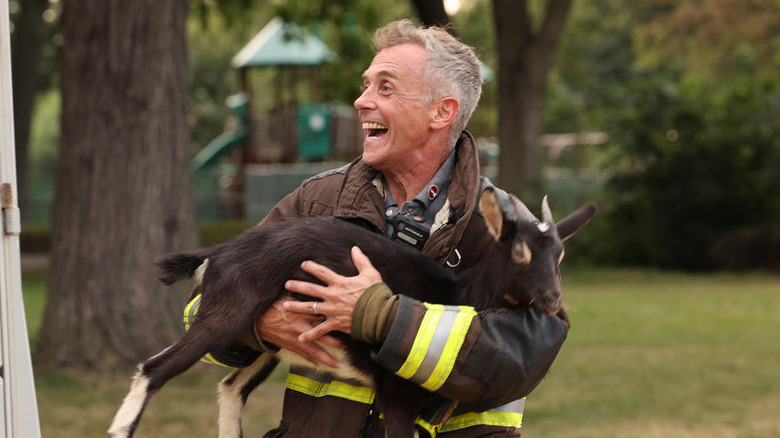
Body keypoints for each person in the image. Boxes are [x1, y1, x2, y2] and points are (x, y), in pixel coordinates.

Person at [233, 19, 570, 437]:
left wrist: (383, 317)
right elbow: (203, 302)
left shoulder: (507, 228)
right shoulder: (313, 201)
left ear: (441, 112)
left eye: (385, 87)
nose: (360, 101)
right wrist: (257, 324)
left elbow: (523, 356)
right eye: (366, 84)